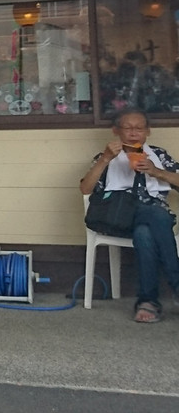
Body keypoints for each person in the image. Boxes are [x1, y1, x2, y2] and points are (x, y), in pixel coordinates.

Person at [79, 107, 179, 323]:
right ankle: (176, 284)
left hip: (150, 223)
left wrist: (157, 172)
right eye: (127, 128)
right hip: (117, 218)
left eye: (139, 128)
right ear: (116, 131)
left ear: (148, 132)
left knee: (145, 232)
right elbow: (85, 189)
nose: (134, 133)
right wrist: (105, 159)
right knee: (157, 215)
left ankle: (148, 302)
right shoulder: (105, 157)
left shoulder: (159, 156)